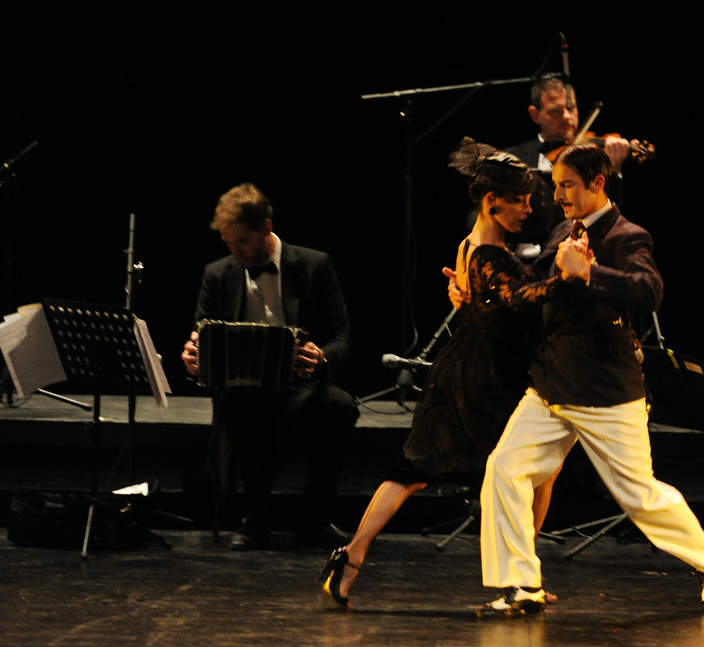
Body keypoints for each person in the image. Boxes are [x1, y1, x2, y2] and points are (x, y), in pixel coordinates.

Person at [478, 144, 704, 616]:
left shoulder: (627, 235)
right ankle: (521, 584)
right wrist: (480, 286)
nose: (558, 195)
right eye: (556, 185)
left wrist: (590, 271)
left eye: (567, 185)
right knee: (505, 468)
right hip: (552, 384)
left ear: (598, 182)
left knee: (638, 494)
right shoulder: (563, 229)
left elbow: (649, 290)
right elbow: (535, 282)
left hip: (603, 392)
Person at [319, 139, 564, 609]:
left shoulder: (472, 243)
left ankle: (352, 557)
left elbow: (485, 298)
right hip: (484, 379)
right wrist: (568, 278)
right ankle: (522, 577)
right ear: (491, 201)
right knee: (528, 470)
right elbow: (521, 298)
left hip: (472, 369)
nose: (529, 209)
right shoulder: (489, 253)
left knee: (434, 471)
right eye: (520, 201)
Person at [181, 183, 358, 550]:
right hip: (243, 388)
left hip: (302, 387)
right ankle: (255, 518)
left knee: (341, 406)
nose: (235, 252)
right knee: (239, 405)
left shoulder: (314, 265)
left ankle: (314, 518)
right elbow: (201, 336)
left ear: (266, 227)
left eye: (242, 242)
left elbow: (342, 338)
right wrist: (193, 357)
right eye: (228, 244)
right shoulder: (218, 273)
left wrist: (321, 356)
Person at [504, 74, 633, 252]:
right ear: (535, 114)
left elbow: (610, 218)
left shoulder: (591, 156)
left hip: (582, 252)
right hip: (525, 257)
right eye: (555, 111)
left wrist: (613, 169)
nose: (566, 117)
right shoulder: (512, 158)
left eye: (571, 108)